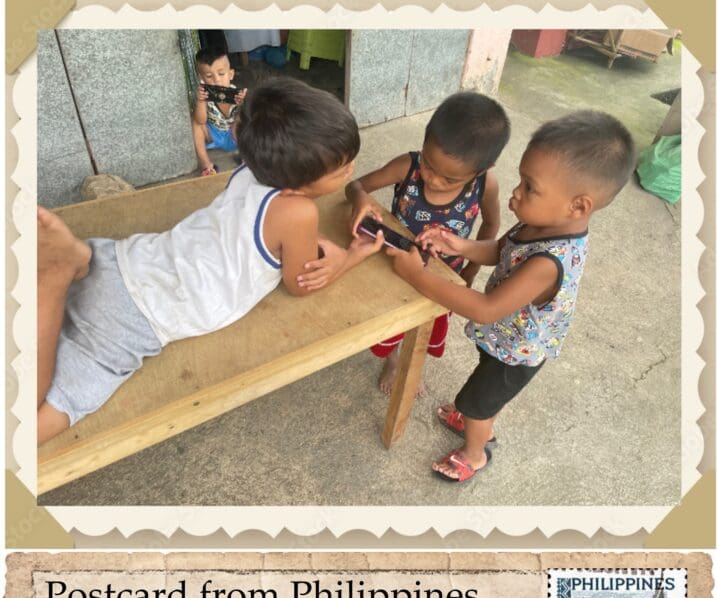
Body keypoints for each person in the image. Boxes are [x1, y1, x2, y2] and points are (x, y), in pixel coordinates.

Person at [37, 79, 384, 446]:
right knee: (35, 422)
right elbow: (300, 284)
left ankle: (76, 260)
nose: (352, 169)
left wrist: (302, 240)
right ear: (296, 187)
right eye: (342, 169)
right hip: (134, 317)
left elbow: (258, 224)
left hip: (122, 259)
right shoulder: (298, 211)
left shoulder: (250, 169)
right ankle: (54, 281)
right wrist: (349, 257)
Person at [385, 110, 636, 482]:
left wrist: (416, 275)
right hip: (506, 339)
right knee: (484, 395)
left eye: (529, 187)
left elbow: (485, 309)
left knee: (476, 401)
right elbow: (500, 250)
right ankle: (477, 420)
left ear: (578, 205)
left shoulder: (548, 263)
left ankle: (474, 453)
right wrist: (458, 244)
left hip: (518, 354)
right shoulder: (541, 222)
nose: (515, 192)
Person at [344, 92, 510, 395]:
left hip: (444, 277)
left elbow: (491, 224)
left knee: (426, 325)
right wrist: (359, 200)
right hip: (396, 264)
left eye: (449, 179)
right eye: (430, 165)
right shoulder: (407, 167)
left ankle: (414, 362)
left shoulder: (486, 185)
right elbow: (355, 185)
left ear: (481, 170)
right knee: (392, 322)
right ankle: (394, 359)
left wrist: (470, 270)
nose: (433, 179)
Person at [192, 47, 247, 176]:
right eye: (209, 76)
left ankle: (246, 158)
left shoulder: (237, 94)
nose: (216, 80)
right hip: (213, 136)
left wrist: (244, 104)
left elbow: (246, 117)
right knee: (195, 122)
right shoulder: (204, 95)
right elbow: (201, 121)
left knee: (244, 118)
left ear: (231, 74)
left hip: (235, 137)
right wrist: (200, 101)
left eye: (221, 74)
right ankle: (206, 164)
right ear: (201, 78)